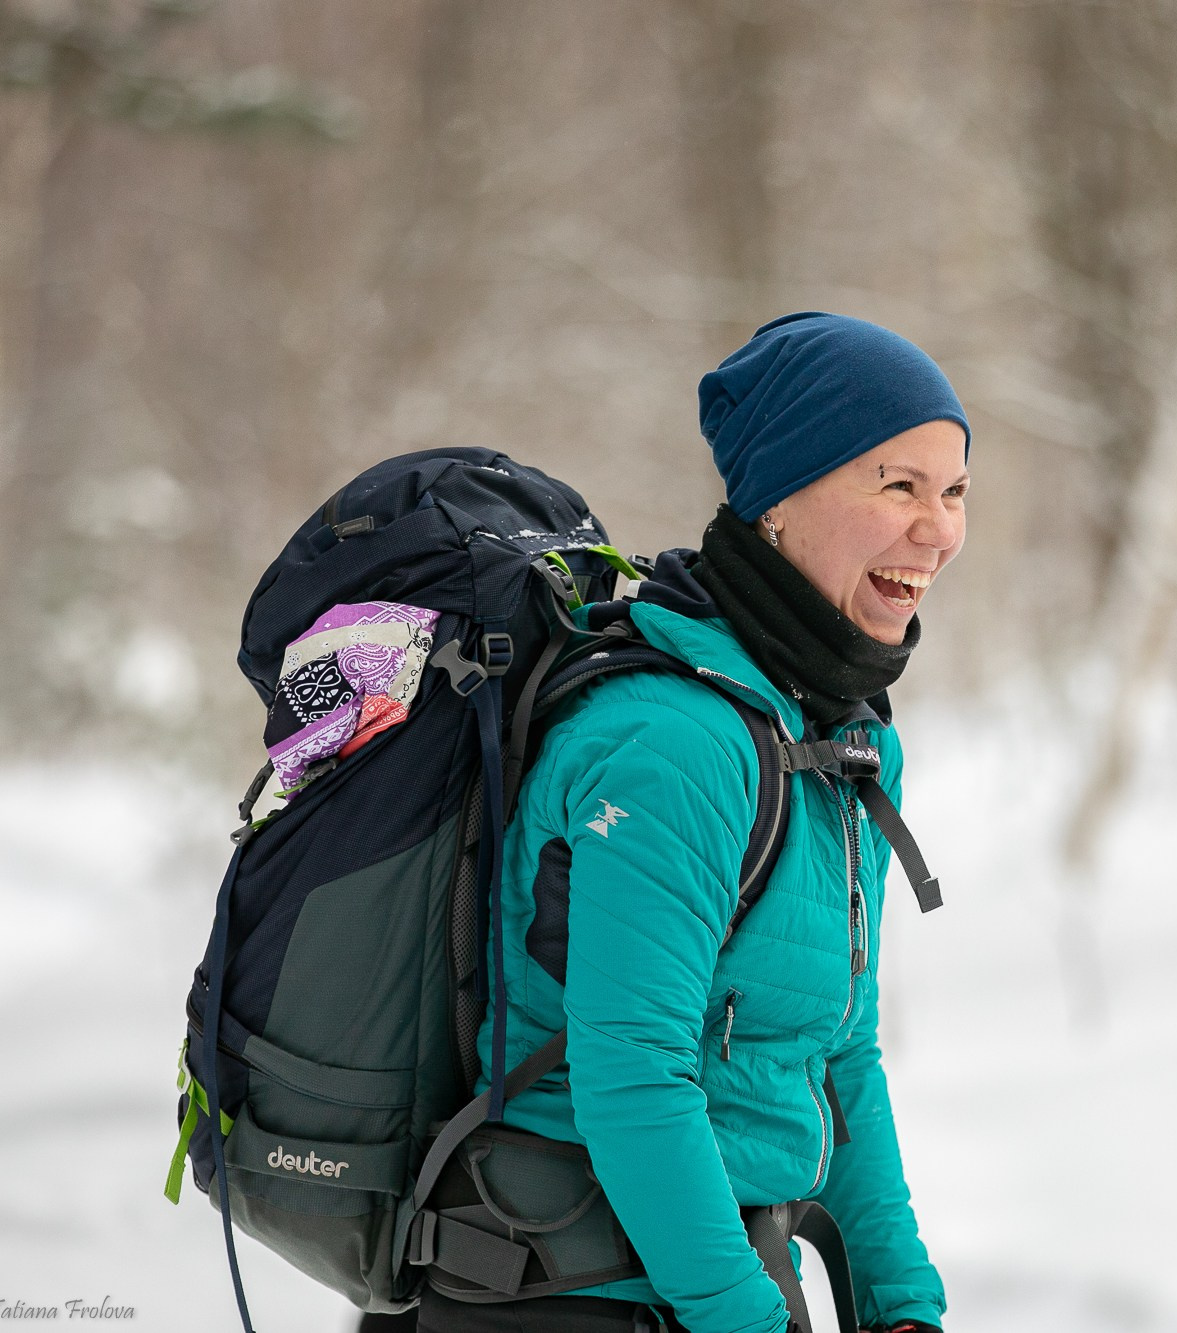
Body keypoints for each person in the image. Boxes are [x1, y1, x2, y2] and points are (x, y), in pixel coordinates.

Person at [405, 312, 967, 1333]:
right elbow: (633, 1072)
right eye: (897, 484)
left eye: (953, 488)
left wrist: (902, 1305)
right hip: (562, 1294)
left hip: (705, 1286)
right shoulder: (670, 743)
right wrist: (744, 1319)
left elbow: (838, 1057)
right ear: (776, 502)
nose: (937, 527)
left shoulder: (842, 743)